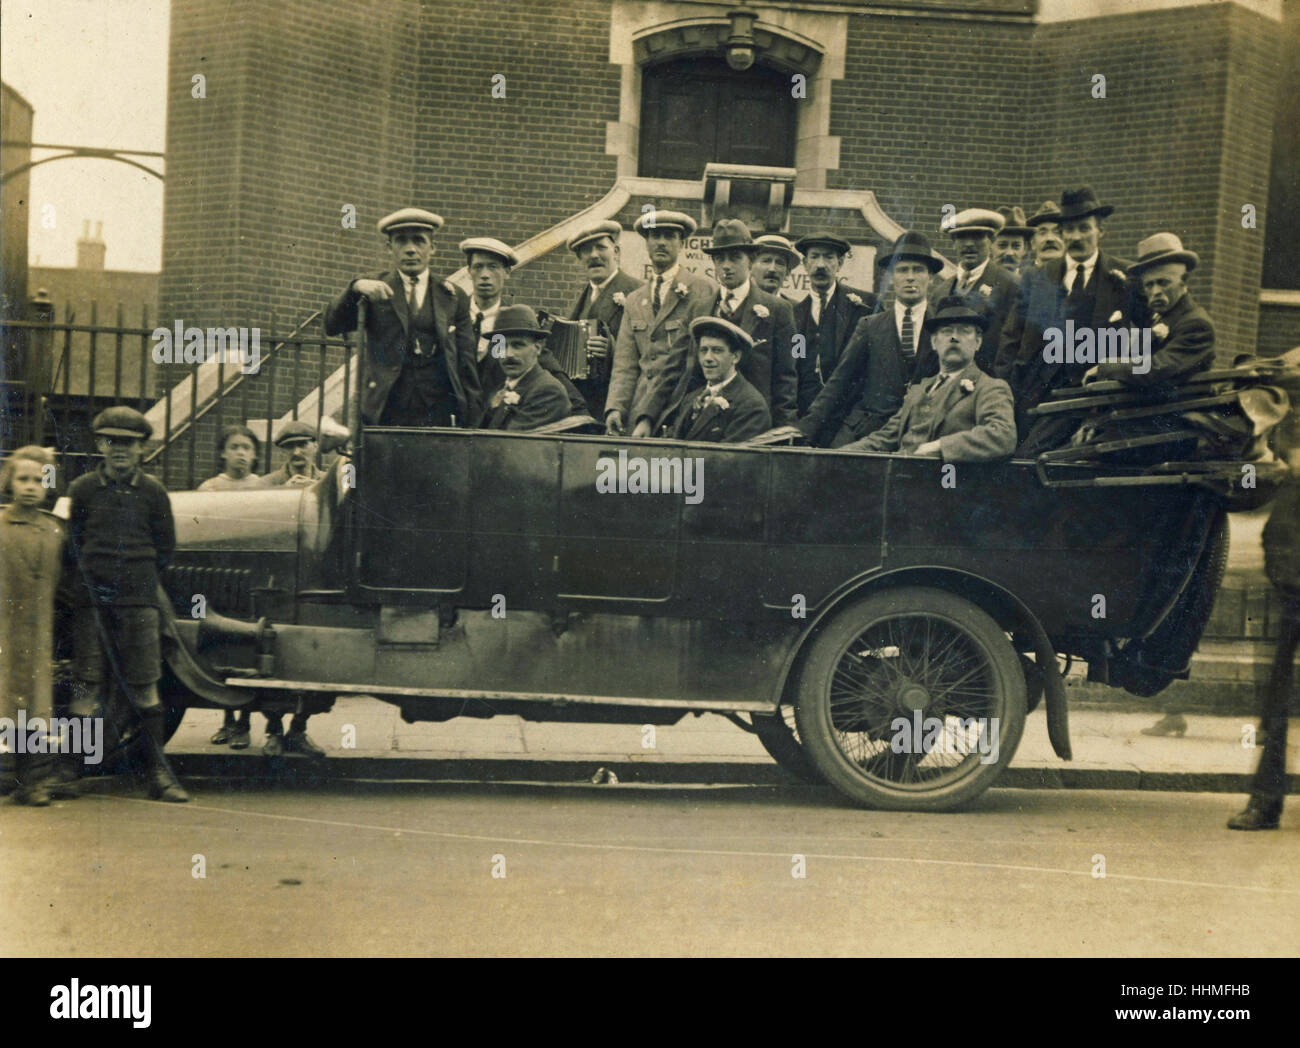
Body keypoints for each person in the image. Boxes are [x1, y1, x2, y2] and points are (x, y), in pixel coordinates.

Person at [65, 407, 188, 802]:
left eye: (128, 443)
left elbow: (164, 549)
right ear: (100, 444)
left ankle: (157, 773)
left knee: (146, 687)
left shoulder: (153, 493)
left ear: (141, 449)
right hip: (93, 606)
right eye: (112, 441)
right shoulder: (82, 489)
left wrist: (138, 583)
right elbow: (72, 545)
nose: (120, 450)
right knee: (86, 685)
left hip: (138, 604)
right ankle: (69, 770)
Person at [995, 186, 1136, 454]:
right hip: (1036, 398)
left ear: (1100, 231)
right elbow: (1010, 343)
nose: (1076, 237)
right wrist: (1006, 398)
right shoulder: (1037, 279)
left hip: (1093, 402)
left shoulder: (1124, 279)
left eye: (1084, 228)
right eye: (1069, 230)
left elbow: (1141, 345)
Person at [324, 208, 481, 428]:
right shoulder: (373, 287)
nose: (410, 250)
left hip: (437, 408)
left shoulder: (453, 295)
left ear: (432, 248)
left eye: (418, 241)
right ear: (389, 248)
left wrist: (471, 420)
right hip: (386, 407)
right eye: (401, 241)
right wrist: (355, 288)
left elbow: (466, 362)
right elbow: (332, 325)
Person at [797, 231, 942, 448]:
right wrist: (802, 431)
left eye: (918, 270)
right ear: (892, 277)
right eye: (902, 270)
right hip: (868, 432)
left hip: (923, 434)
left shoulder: (943, 327)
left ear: (930, 277)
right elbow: (839, 382)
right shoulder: (871, 326)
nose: (910, 277)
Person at [841, 297, 1017, 462]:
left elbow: (1003, 435)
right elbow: (885, 438)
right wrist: (836, 455)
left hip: (946, 486)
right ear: (934, 342)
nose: (954, 337)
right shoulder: (919, 390)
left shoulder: (990, 388)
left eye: (964, 331)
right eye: (947, 331)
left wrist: (939, 447)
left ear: (978, 342)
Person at [1228, 433, 1300, 830]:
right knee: (1277, 708)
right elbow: (1278, 536)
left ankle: (1265, 803)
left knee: (1279, 705)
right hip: (1295, 597)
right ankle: (1266, 802)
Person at [664, 219, 797, 426]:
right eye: (719, 259)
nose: (726, 266)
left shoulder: (778, 309)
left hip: (752, 423)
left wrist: (782, 432)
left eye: (735, 258)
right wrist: (647, 417)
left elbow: (785, 380)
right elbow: (675, 367)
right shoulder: (698, 308)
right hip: (702, 423)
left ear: (751, 261)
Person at [605, 209, 715, 438]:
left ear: (682, 243)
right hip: (638, 409)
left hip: (680, 406)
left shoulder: (702, 291)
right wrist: (616, 408)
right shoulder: (634, 299)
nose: (662, 243)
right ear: (646, 243)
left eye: (669, 237)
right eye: (655, 236)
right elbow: (625, 363)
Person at [1, 447, 64, 806]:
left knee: (37, 704)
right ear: (9, 482)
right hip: (4, 631)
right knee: (5, 699)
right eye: (22, 479)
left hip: (39, 632)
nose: (30, 487)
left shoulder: (53, 530)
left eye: (39, 480)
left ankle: (34, 780)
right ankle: (6, 774)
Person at [463, 235, 587, 414]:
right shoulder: (452, 317)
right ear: (469, 271)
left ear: (507, 272)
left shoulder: (515, 323)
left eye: (493, 267)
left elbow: (563, 387)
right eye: (478, 267)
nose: (485, 275)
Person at [1085, 233, 1215, 387]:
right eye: (1149, 285)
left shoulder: (1196, 325)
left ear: (1184, 281)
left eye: (1163, 282)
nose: (1156, 291)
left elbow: (1154, 369)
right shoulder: (1158, 317)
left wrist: (1105, 367)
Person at [791, 232, 878, 415]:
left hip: (847, 415)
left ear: (840, 264)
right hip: (804, 414)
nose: (821, 265)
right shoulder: (795, 314)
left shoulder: (864, 305)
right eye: (814, 257)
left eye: (828, 257)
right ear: (805, 264)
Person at [564, 220, 643, 418]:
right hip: (582, 408)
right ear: (580, 258)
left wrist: (612, 350)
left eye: (601, 247)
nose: (593, 255)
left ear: (616, 252)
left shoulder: (638, 293)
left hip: (618, 407)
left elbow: (650, 353)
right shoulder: (579, 300)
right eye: (586, 250)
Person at [931, 208, 1020, 374]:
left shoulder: (1011, 286)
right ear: (953, 242)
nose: (969, 244)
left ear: (991, 240)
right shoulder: (941, 292)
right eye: (962, 237)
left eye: (977, 236)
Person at [666, 317, 771, 442]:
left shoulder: (751, 406)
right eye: (703, 350)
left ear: (735, 357)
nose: (708, 358)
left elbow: (728, 459)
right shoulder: (691, 398)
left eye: (717, 350)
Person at [478, 306, 573, 430]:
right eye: (501, 346)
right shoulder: (502, 387)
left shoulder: (548, 392)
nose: (509, 354)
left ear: (537, 348)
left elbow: (508, 444)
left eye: (518, 345)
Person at [198, 424, 263, 490]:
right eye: (234, 447)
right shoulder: (209, 488)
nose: (240, 452)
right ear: (223, 453)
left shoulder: (264, 487)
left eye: (246, 448)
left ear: (255, 454)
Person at [260, 421, 323, 487]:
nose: (296, 452)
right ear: (283, 452)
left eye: (302, 445)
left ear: (315, 446)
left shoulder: (328, 481)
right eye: (290, 446)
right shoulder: (266, 484)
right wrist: (284, 489)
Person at [751, 234, 801, 300]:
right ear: (750, 267)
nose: (772, 269)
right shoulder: (737, 304)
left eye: (780, 263)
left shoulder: (794, 308)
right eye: (766, 261)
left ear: (788, 272)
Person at [993, 206, 1034, 277]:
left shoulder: (1030, 285)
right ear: (990, 247)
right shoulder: (976, 282)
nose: (1009, 253)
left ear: (1025, 249)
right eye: (1002, 245)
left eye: (1016, 246)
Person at [1026, 199, 1066, 268]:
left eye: (1057, 232)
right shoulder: (1022, 277)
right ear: (1033, 243)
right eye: (1043, 233)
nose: (1050, 239)